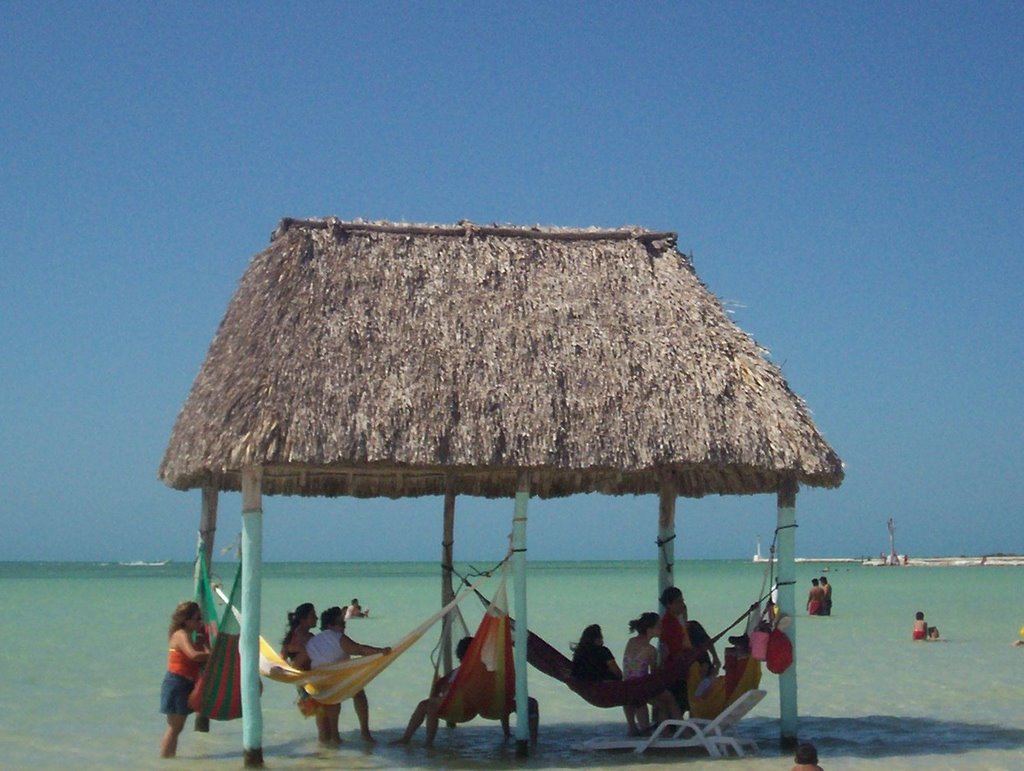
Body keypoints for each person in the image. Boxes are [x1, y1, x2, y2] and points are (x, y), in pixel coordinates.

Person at [306, 606, 391, 745]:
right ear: (330, 625)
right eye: (341, 623)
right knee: (357, 693)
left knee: (336, 701)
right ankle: (364, 732)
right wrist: (381, 651)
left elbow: (302, 660)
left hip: (317, 684)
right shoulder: (337, 637)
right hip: (334, 681)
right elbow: (359, 649)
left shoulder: (312, 641)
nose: (344, 626)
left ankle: (330, 742)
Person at [392, 636, 473, 746]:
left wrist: (446, 686)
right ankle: (406, 738)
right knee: (423, 705)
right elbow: (442, 684)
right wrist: (439, 683)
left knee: (430, 707)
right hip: (450, 702)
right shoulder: (458, 671)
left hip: (462, 705)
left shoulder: (473, 671)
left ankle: (428, 742)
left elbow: (464, 687)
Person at [159, 600, 210, 758]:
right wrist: (216, 655)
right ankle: (166, 760)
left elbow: (202, 658)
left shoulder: (189, 636)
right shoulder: (181, 635)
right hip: (177, 682)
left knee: (176, 727)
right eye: (196, 618)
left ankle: (169, 762)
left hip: (185, 682)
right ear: (186, 620)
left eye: (200, 618)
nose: (199, 621)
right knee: (175, 727)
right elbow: (194, 656)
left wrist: (204, 645)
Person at [622, 612, 681, 735]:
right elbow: (655, 674)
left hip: (627, 686)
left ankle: (663, 732)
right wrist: (664, 657)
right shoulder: (651, 650)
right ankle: (680, 730)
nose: (661, 629)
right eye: (659, 626)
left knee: (661, 703)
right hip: (640, 687)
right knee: (669, 699)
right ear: (650, 629)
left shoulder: (631, 641)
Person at [281, 603, 319, 720]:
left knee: (320, 714)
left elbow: (282, 657)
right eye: (313, 615)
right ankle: (327, 738)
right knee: (322, 714)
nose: (316, 618)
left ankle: (326, 738)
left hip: (305, 681)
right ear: (303, 619)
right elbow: (284, 658)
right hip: (307, 682)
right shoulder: (302, 638)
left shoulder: (297, 636)